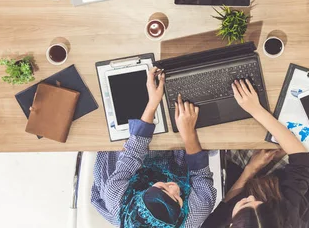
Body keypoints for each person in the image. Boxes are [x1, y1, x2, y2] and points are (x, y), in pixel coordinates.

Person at [91, 67, 216, 227]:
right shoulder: (194, 216)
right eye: (177, 199)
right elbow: (200, 176)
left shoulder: (116, 197)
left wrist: (152, 102)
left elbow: (133, 153)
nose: (174, 187)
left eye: (163, 189)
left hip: (131, 174)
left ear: (140, 195)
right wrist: (188, 132)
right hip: (178, 166)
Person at [202, 79, 309, 228]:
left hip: (266, 184)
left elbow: (225, 208)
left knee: (238, 136)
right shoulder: (290, 217)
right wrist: (255, 109)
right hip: (307, 183)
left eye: (245, 203)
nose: (250, 197)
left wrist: (251, 169)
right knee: (280, 135)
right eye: (257, 202)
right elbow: (300, 158)